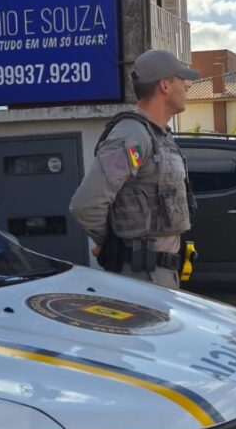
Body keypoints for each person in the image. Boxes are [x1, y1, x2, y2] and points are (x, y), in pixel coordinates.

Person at [69, 48, 200, 288]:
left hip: (160, 274)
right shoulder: (133, 136)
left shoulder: (159, 135)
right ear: (164, 85)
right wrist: (112, 243)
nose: (186, 87)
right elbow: (86, 204)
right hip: (142, 276)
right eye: (182, 80)